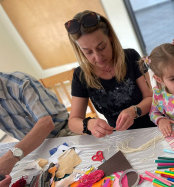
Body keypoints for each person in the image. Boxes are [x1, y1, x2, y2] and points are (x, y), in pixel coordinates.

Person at [65, 10, 155, 138]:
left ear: (111, 37)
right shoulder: (81, 75)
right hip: (120, 137)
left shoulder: (131, 57)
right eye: (88, 52)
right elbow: (73, 122)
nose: (98, 57)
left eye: (101, 47)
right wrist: (89, 124)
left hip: (152, 127)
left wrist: (134, 111)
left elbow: (151, 99)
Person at [0, 71, 73, 187]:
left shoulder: (19, 83)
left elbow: (46, 124)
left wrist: (9, 158)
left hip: (64, 133)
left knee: (74, 185)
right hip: (33, 147)